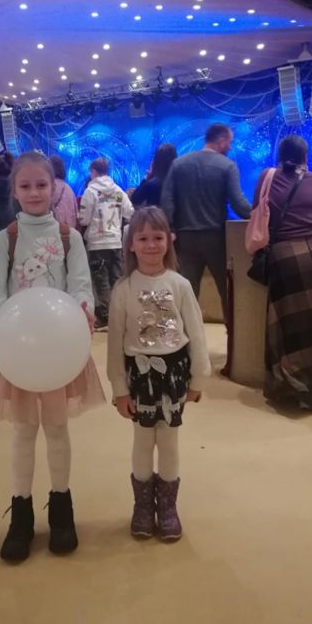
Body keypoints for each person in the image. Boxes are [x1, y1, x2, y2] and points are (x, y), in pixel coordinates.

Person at [0, 151, 104, 563]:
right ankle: (21, 515)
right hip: (18, 351)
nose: (34, 192)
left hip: (58, 351)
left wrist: (83, 309)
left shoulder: (70, 237)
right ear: (14, 191)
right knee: (23, 430)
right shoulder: (7, 239)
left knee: (56, 426)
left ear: (55, 188)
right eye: (25, 185)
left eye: (41, 185)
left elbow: (81, 285)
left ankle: (62, 510)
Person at [107, 207, 210, 540]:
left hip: (174, 374)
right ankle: (142, 506)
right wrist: (120, 389)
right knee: (142, 441)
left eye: (157, 237)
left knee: (168, 441)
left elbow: (196, 334)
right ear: (131, 244)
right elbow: (114, 342)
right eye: (142, 238)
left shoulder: (180, 285)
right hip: (139, 375)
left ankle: (167, 508)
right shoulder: (123, 288)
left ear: (169, 240)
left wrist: (199, 378)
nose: (151, 245)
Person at [162, 123, 251, 323]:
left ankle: (185, 338)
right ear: (221, 140)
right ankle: (233, 337)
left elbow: (167, 200)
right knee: (227, 291)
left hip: (185, 239)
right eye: (229, 142)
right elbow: (238, 204)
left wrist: (170, 228)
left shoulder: (179, 164)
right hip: (217, 239)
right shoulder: (227, 166)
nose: (230, 146)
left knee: (186, 293)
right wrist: (260, 215)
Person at [252, 135, 312, 410]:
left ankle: (290, 387)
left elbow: (256, 210)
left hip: (284, 258)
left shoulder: (267, 177)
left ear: (279, 155)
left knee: (286, 329)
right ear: (305, 156)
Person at [79, 157, 134, 329]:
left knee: (101, 280)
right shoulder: (118, 190)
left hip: (97, 242)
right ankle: (121, 314)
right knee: (117, 279)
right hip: (115, 241)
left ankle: (107, 317)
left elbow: (84, 219)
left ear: (93, 171)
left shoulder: (91, 191)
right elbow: (130, 212)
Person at [49, 155, 78, 228]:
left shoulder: (49, 187)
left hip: (54, 229)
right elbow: (75, 212)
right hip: (69, 230)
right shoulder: (69, 189)